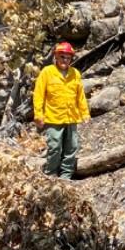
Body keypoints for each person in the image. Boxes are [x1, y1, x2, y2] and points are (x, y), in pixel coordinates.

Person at [33, 42, 90, 179]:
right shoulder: (47, 72)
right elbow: (38, 94)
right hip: (54, 118)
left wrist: (85, 113)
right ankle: (51, 174)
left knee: (71, 147)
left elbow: (80, 96)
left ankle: (66, 176)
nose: (65, 60)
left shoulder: (75, 73)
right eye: (62, 57)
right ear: (56, 57)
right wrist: (38, 115)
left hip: (71, 117)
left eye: (68, 58)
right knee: (55, 147)